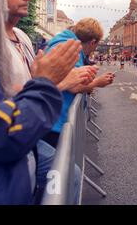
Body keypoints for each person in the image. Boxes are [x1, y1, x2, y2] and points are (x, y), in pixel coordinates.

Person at [0, 0, 83, 204]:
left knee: (70, 175)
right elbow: (4, 134)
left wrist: (44, 81)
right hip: (18, 143)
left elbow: (14, 92)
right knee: (66, 176)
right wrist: (47, 83)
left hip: (26, 135)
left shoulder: (22, 37)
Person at [42, 18, 114, 148]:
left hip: (50, 117)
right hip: (54, 122)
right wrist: (98, 82)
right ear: (92, 42)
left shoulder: (65, 41)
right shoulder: (70, 48)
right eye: (95, 46)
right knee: (61, 165)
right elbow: (73, 85)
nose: (93, 50)